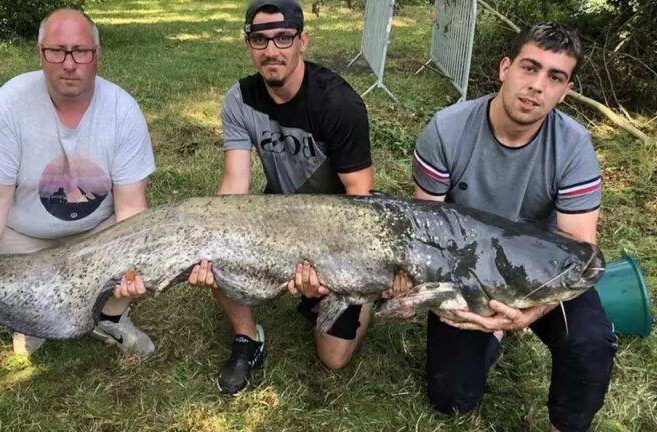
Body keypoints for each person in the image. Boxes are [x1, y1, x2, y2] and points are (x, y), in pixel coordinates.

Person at [188, 0, 403, 396]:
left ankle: (362, 295)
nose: (272, 50)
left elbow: (360, 197)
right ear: (249, 44)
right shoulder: (240, 99)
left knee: (333, 358)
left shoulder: (339, 103)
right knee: (213, 239)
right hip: (279, 211)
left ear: (303, 40)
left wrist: (334, 269)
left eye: (284, 38)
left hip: (336, 226)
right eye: (260, 39)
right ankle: (247, 338)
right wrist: (213, 242)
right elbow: (234, 184)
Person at [411, 23, 617, 432]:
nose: (537, 86)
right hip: (464, 268)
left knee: (591, 340)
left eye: (554, 77)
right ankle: (491, 338)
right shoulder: (447, 130)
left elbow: (580, 252)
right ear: (505, 68)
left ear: (565, 90)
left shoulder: (574, 146)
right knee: (452, 398)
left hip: (539, 269)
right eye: (529, 68)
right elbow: (424, 234)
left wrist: (529, 311)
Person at [0, 8, 157, 357]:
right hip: (23, 234)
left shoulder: (123, 110)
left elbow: (132, 207)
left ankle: (110, 317)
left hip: (94, 236)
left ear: (97, 56)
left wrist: (131, 267)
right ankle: (31, 314)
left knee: (144, 244)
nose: (69, 63)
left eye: (81, 51)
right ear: (41, 54)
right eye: (57, 51)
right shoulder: (9, 104)